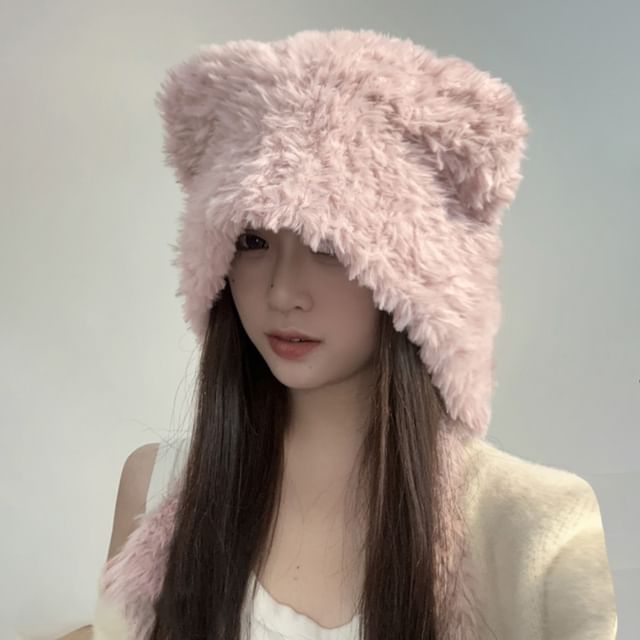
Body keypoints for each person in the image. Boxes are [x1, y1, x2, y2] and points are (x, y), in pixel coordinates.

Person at [67, 28, 617, 639]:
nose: (282, 292)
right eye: (252, 241)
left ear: (416, 276)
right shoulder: (157, 488)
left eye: (328, 245)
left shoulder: (536, 530)